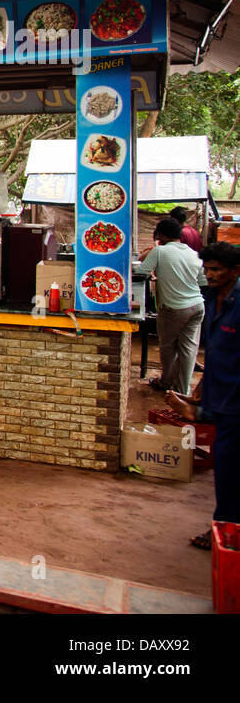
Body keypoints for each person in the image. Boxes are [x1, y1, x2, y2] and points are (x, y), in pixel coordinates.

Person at [165, 243, 240, 549]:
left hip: (234, 401)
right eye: (207, 269)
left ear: (235, 271)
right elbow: (218, 352)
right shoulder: (212, 299)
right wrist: (200, 388)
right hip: (219, 394)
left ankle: (225, 532)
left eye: (216, 270)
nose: (209, 275)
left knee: (230, 472)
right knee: (226, 470)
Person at [135, 218, 205, 393]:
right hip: (197, 306)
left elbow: (141, 271)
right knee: (189, 349)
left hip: (173, 308)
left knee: (168, 347)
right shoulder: (192, 253)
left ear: (161, 235)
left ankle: (166, 382)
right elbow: (203, 280)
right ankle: (183, 390)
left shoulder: (160, 251)